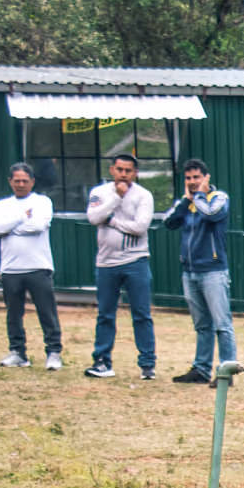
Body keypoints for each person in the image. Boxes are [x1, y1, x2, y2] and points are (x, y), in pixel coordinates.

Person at [84, 153, 155, 380]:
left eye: (128, 171)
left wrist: (113, 221)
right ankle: (102, 361)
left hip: (136, 261)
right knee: (105, 314)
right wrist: (115, 198)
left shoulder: (144, 195)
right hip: (106, 263)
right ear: (112, 169)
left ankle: (147, 365)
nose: (123, 175)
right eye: (119, 169)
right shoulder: (99, 192)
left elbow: (141, 226)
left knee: (141, 314)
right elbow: (94, 217)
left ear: (135, 173)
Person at [165, 159, 236, 384]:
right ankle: (201, 369)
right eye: (188, 178)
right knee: (202, 325)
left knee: (222, 325)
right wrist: (187, 200)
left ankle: (226, 372)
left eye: (197, 177)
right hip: (190, 271)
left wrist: (199, 196)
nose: (192, 182)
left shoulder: (219, 198)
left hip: (213, 271)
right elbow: (169, 222)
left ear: (207, 177)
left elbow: (211, 214)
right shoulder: (186, 202)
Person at [0, 163, 62, 371]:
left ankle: (54, 352)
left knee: (46, 312)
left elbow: (37, 226)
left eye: (25, 181)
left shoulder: (42, 202)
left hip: (38, 267)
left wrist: (9, 229)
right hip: (10, 269)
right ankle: (18, 352)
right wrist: (20, 218)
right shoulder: (1, 205)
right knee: (13, 313)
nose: (20, 184)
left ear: (32, 182)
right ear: (10, 181)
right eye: (17, 181)